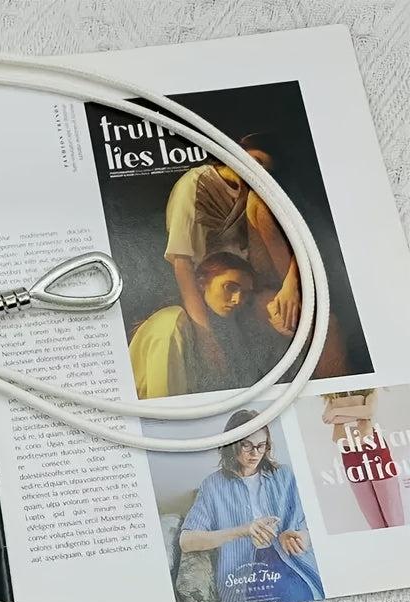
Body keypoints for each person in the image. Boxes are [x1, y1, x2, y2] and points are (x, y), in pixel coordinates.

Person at [162, 132, 347, 378]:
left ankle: (303, 291)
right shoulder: (195, 184)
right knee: (322, 326)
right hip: (225, 283)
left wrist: (291, 285)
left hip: (260, 276)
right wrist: (204, 334)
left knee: (259, 201)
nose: (257, 173)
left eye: (265, 171)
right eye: (256, 162)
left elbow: (300, 239)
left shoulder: (251, 193)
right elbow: (182, 265)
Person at [179, 409, 324, 602]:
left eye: (261, 445)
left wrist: (299, 538)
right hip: (243, 572)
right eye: (246, 445)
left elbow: (316, 526)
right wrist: (242, 531)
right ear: (231, 444)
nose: (255, 453)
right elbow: (186, 541)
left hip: (291, 562)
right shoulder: (212, 486)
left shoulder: (284, 476)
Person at [128, 251, 259, 398]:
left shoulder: (226, 331)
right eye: (230, 287)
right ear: (202, 283)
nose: (237, 299)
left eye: (245, 293)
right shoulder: (172, 324)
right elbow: (167, 404)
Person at [322, 389, 405, 530]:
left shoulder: (369, 390)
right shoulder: (333, 395)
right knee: (373, 519)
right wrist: (359, 413)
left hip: (374, 446)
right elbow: (327, 419)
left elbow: (369, 411)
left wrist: (336, 412)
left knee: (393, 514)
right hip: (349, 452)